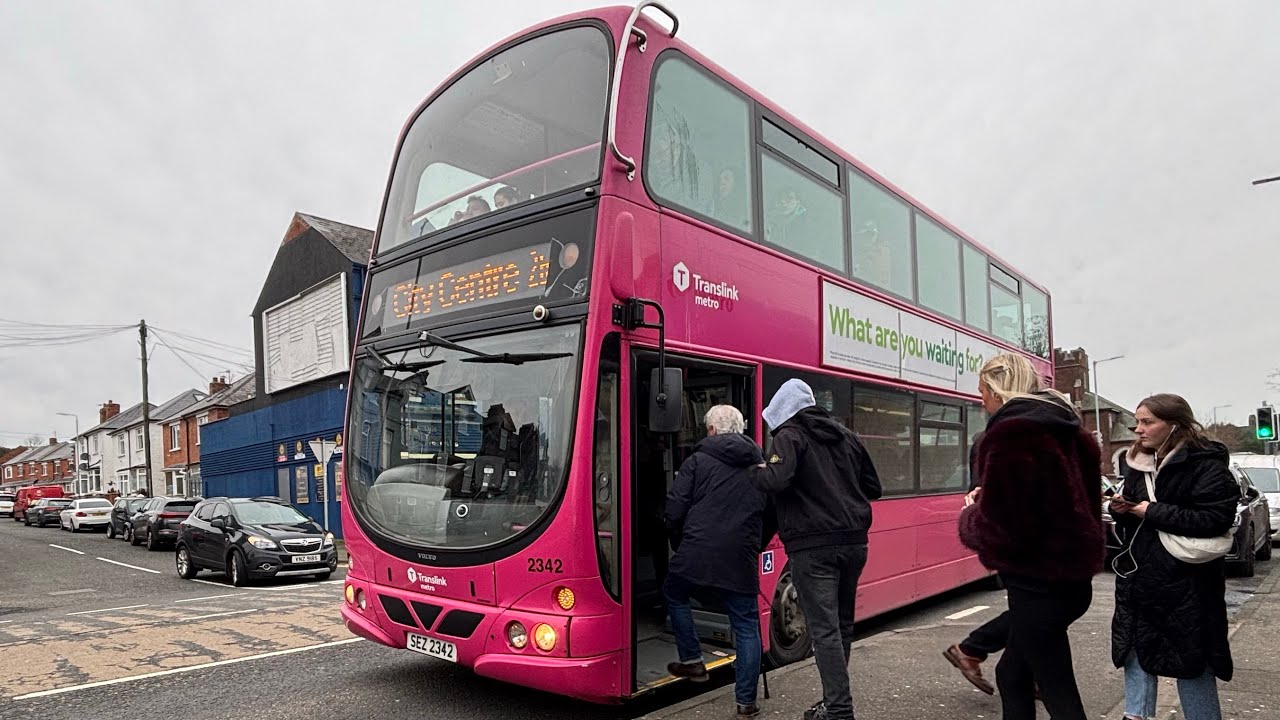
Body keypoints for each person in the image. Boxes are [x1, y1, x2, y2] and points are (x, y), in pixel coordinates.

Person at [958, 353, 1103, 720]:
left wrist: (971, 515)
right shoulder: (1074, 434)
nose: (981, 401)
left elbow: (1008, 531)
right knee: (1012, 675)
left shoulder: (1010, 436)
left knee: (1059, 693)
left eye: (982, 392)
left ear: (997, 390)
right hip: (1073, 581)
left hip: (1038, 585)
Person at [750, 379, 881, 720]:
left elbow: (776, 481)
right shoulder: (846, 435)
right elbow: (874, 487)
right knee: (842, 626)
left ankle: (838, 709)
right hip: (854, 544)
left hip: (813, 548)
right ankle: (833, 701)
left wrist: (756, 470)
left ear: (782, 410)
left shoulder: (789, 436)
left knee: (824, 631)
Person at [1109, 394, 1237, 720]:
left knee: (1193, 664)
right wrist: (1121, 509)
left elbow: (1213, 519)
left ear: (1174, 425)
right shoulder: (1137, 464)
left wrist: (1148, 510)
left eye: (1147, 421)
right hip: (1142, 581)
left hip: (1188, 586)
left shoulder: (1205, 463)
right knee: (1135, 654)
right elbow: (1135, 517)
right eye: (1136, 422)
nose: (1138, 429)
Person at [663, 405, 771, 718]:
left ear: (711, 430)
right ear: (739, 430)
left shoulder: (698, 461)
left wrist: (677, 540)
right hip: (740, 556)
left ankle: (693, 659)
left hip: (698, 550)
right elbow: (773, 512)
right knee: (747, 625)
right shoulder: (761, 466)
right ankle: (746, 703)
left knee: (674, 593)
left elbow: (675, 507)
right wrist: (754, 545)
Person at [943, 435, 1007, 696]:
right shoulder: (995, 441)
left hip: (1019, 541)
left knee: (1036, 614)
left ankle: (1025, 673)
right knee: (1039, 612)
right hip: (1017, 542)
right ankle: (972, 649)